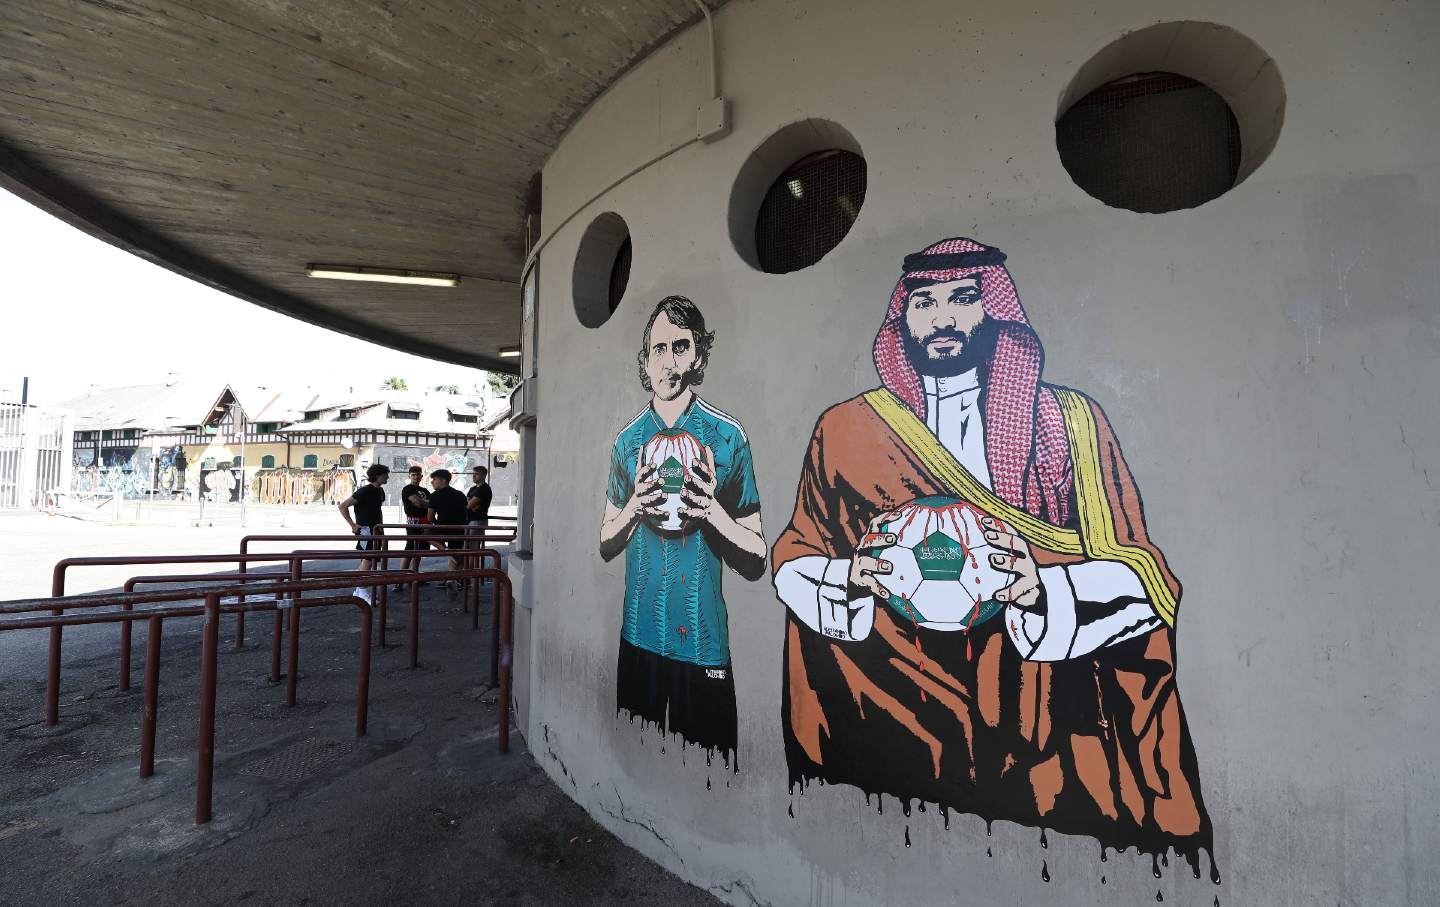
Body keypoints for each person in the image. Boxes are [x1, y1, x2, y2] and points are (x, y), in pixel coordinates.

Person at [771, 237, 1212, 860]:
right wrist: (848, 578)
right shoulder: (845, 429)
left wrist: (1046, 590)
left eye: (962, 298)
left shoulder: (1067, 422)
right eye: (923, 303)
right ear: (902, 318)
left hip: (1038, 702)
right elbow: (797, 550)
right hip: (902, 694)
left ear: (995, 310)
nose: (942, 318)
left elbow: (1141, 571)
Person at [598, 295, 765, 763]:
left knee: (713, 772)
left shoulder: (728, 437)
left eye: (680, 347)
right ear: (644, 362)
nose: (668, 362)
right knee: (636, 761)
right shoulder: (627, 442)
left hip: (704, 646)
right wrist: (634, 507)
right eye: (658, 349)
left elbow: (757, 557)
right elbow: (606, 543)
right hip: (638, 640)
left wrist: (711, 511)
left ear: (698, 356)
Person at [338, 463, 389, 604]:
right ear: (378, 476)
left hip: (376, 530)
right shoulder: (364, 491)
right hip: (366, 530)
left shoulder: (380, 491)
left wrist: (381, 527)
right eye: (385, 474)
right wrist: (352, 524)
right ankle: (362, 590)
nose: (388, 477)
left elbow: (377, 510)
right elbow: (343, 506)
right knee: (368, 558)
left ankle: (360, 590)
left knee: (370, 559)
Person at [425, 468, 470, 595]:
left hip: (443, 528)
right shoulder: (460, 494)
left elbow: (429, 517)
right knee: (456, 553)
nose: (432, 482)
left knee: (427, 536)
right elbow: (465, 511)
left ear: (443, 480)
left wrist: (435, 522)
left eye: (434, 479)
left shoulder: (435, 495)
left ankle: (447, 553)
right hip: (460, 528)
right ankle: (453, 580)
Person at [396, 465, 431, 591]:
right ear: (409, 476)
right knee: (410, 548)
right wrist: (428, 505)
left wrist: (427, 505)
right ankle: (399, 580)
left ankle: (413, 576)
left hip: (425, 522)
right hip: (413, 521)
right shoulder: (407, 489)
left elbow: (429, 504)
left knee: (420, 550)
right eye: (413, 475)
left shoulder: (425, 490)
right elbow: (419, 503)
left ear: (422, 476)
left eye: (418, 474)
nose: (416, 477)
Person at [466, 464, 493, 543]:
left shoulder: (484, 488)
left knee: (474, 546)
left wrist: (471, 504)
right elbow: (468, 502)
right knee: (469, 545)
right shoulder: (473, 488)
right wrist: (471, 504)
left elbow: (469, 505)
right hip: (471, 519)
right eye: (473, 474)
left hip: (478, 520)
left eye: (477, 474)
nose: (474, 476)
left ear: (484, 476)